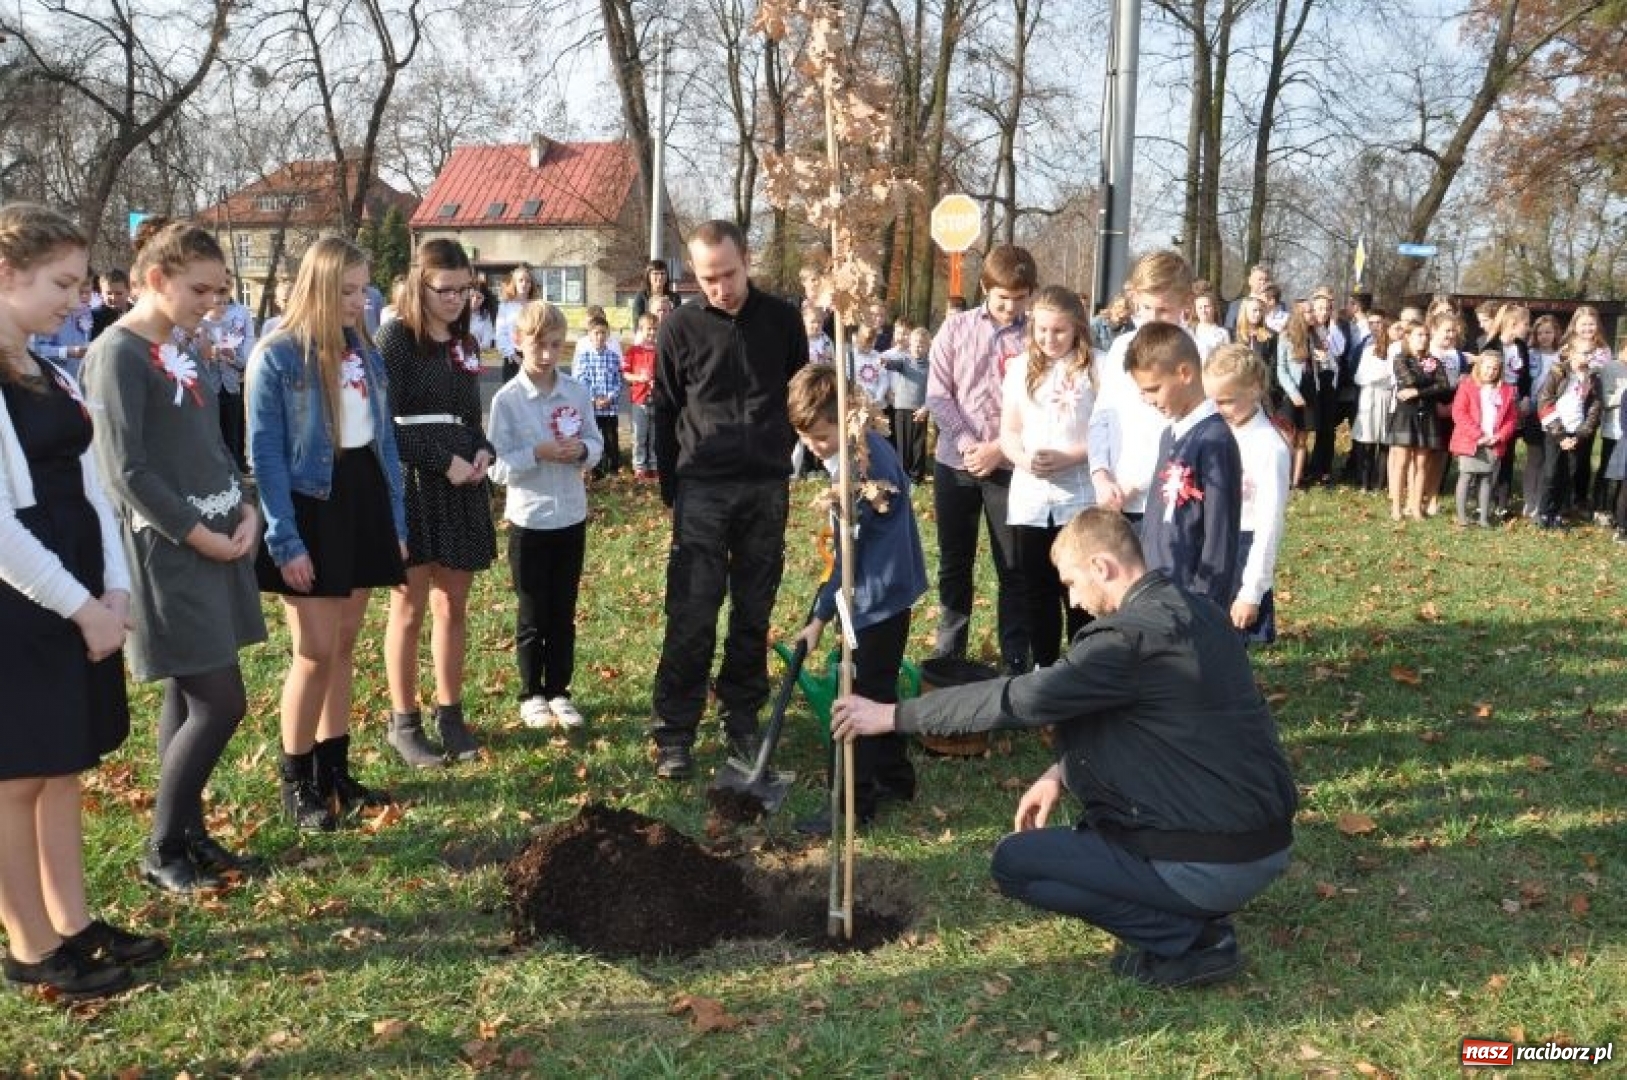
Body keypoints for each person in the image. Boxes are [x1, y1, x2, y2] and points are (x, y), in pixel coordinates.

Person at [832, 508, 1296, 989]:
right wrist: (1059, 772)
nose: (1073, 598)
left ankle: (1191, 938)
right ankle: (1195, 911)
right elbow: (1160, 723)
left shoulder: (1124, 642)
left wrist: (891, 716)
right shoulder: (1199, 613)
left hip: (1212, 860)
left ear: (1102, 567)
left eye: (1072, 582)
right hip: (1265, 843)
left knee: (1017, 863)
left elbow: (1018, 698)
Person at [0, 202, 168, 999]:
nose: (76, 299)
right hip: (20, 599)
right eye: (61, 283)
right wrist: (80, 607)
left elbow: (96, 491)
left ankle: (71, 922)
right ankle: (30, 944)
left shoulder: (50, 369)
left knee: (62, 766)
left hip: (79, 589)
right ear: (6, 273)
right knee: (15, 777)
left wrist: (118, 588)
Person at [86, 219, 267, 892]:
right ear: (157, 279)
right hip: (170, 551)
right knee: (220, 701)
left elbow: (212, 440)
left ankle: (188, 834)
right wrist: (200, 533)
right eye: (200, 289)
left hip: (218, 538)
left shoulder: (177, 346)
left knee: (189, 696)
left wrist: (245, 504)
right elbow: (126, 471)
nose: (210, 303)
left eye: (219, 290)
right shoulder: (117, 355)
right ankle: (161, 847)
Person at [247, 237, 407, 832]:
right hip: (310, 505)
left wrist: (395, 523)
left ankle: (333, 769)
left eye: (363, 288)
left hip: (361, 498)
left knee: (342, 648)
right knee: (312, 654)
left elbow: (384, 443)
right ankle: (296, 780)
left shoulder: (365, 353)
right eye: (345, 290)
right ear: (315, 288)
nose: (359, 300)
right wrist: (285, 542)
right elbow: (264, 458)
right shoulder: (278, 356)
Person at [648, 220, 807, 780]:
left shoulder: (783, 321)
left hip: (765, 485)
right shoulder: (679, 329)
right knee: (691, 612)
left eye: (729, 274)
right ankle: (674, 730)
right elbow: (663, 411)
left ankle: (741, 712)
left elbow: (799, 397)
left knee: (753, 608)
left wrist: (786, 452)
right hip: (703, 488)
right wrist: (674, 486)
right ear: (693, 273)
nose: (721, 288)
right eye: (708, 278)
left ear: (747, 259)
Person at [788, 364, 925, 831]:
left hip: (873, 599)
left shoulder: (863, 468)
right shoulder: (857, 450)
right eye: (805, 439)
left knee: (857, 696)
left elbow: (851, 558)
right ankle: (895, 777)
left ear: (846, 419)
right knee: (879, 686)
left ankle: (851, 802)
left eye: (821, 438)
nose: (813, 447)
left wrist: (822, 616)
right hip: (881, 592)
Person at [377, 238, 497, 767]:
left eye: (464, 289)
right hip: (414, 481)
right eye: (444, 290)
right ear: (419, 283)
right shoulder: (396, 337)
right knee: (408, 606)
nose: (456, 299)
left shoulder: (465, 341)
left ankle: (451, 714)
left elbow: (470, 415)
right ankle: (404, 721)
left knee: (453, 603)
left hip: (462, 482)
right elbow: (381, 424)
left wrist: (482, 451)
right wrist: (438, 459)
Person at [488, 300, 601, 732]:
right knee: (533, 612)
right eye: (539, 345)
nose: (548, 354)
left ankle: (559, 689)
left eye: (556, 345)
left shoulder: (575, 391)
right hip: (529, 519)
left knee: (564, 611)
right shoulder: (507, 400)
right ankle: (531, 692)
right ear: (519, 342)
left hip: (570, 515)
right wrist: (535, 454)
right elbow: (496, 467)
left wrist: (584, 452)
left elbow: (595, 441)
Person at [926, 244, 1037, 675]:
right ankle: (949, 651)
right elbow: (938, 393)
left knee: (1013, 564)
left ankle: (1015, 658)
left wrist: (998, 448)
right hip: (956, 462)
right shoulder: (955, 331)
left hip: (1008, 466)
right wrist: (970, 442)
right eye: (1002, 298)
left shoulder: (1036, 337)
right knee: (955, 561)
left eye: (1020, 298)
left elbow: (1041, 402)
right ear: (984, 288)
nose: (1011, 307)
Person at [999, 285, 1095, 669]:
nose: (1049, 339)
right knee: (1035, 586)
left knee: (1078, 586)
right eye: (1041, 330)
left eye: (1058, 331)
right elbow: (1009, 431)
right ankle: (1044, 665)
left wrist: (1071, 457)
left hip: (1079, 495)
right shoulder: (1019, 368)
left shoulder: (1095, 368)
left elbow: (1104, 435)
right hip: (1031, 499)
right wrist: (1023, 459)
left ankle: (1085, 664)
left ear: (1076, 329)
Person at [1129, 322, 1242, 608]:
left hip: (1192, 601)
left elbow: (1220, 535)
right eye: (1143, 391)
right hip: (1159, 591)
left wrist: (1207, 606)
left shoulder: (1215, 441)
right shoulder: (1170, 435)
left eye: (1153, 389)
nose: (1147, 400)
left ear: (1184, 373)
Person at [1089, 250, 1194, 527]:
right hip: (1114, 498)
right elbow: (1102, 416)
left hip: (1168, 499)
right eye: (1146, 308)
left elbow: (1185, 433)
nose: (1153, 319)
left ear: (1185, 302)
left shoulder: (1195, 355)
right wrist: (1100, 475)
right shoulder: (1121, 348)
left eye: (1164, 310)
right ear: (1135, 298)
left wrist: (1134, 485)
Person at [1204, 344, 1288, 644]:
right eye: (1212, 400)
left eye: (1226, 401)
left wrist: (1251, 591)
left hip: (1242, 549)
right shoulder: (1214, 430)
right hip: (1210, 547)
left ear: (1254, 389)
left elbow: (1269, 525)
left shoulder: (1269, 447)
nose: (1217, 409)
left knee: (1230, 649)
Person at [1386, 319, 1453, 521]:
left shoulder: (1435, 361)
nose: (1423, 339)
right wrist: (1427, 384)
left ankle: (1416, 508)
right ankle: (1397, 507)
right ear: (1407, 337)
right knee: (1402, 462)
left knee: (1422, 463)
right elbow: (1409, 380)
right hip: (1405, 415)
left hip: (1428, 416)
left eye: (1426, 335)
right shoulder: (1400, 359)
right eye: (1419, 335)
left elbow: (1445, 389)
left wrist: (1417, 391)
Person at [1535, 340, 1601, 529]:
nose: (1586, 357)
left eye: (1590, 354)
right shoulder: (1558, 373)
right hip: (1556, 431)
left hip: (1576, 431)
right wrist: (1561, 436)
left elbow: (1595, 408)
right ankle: (1544, 512)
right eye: (1583, 353)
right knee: (1551, 472)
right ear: (1571, 352)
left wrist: (1580, 435)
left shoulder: (1593, 377)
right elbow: (1544, 402)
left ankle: (1558, 513)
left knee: (1569, 474)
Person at [1449, 350, 1516, 528]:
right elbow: (1459, 413)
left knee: (1487, 479)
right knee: (1466, 476)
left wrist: (1499, 436)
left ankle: (1483, 518)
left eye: (1495, 368)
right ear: (1479, 367)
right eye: (1487, 367)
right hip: (1471, 440)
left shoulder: (1506, 391)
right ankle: (1462, 517)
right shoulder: (1467, 386)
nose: (1491, 372)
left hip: (1493, 441)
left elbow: (1511, 419)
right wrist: (1478, 435)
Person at [1521, 314, 1562, 517]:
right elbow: (1524, 381)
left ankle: (1541, 499)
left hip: (1555, 411)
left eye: (1548, 332)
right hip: (1534, 410)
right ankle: (1529, 499)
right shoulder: (1530, 354)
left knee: (1549, 460)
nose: (1544, 336)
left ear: (1555, 333)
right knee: (1534, 457)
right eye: (1540, 332)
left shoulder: (1562, 356)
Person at [1350, 310, 1394, 493]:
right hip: (1368, 397)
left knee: (1383, 441)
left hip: (1385, 396)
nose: (1375, 327)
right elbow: (1359, 376)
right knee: (1366, 441)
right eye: (1372, 323)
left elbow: (1390, 375)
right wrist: (1373, 378)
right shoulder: (1367, 349)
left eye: (1379, 323)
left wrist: (1376, 377)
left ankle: (1379, 482)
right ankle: (1364, 481)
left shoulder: (1392, 350)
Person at [575, 315, 624, 478]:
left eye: (603, 333)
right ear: (589, 335)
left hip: (610, 407)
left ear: (608, 335)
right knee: (594, 438)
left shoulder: (614, 357)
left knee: (611, 438)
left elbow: (618, 381)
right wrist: (593, 400)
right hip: (593, 408)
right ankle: (596, 469)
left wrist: (610, 397)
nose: (600, 336)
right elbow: (582, 381)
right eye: (596, 333)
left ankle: (613, 468)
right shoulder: (585, 357)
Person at [882, 325, 931, 483]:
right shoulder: (904, 360)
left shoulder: (931, 366)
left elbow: (934, 390)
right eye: (915, 343)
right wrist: (885, 361)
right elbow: (892, 364)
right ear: (910, 344)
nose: (918, 346)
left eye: (922, 344)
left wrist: (926, 407)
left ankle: (917, 476)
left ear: (928, 346)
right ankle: (903, 474)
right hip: (902, 409)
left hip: (920, 410)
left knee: (918, 445)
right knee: (902, 444)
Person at [29, 276, 94, 378]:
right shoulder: (51, 315)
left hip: (80, 377)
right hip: (58, 378)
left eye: (88, 292)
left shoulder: (86, 312)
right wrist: (67, 352)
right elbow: (37, 350)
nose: (85, 297)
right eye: (80, 293)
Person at [621, 312, 659, 480]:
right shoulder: (633, 351)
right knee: (639, 435)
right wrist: (639, 378)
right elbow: (625, 374)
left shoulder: (661, 350)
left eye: (655, 329)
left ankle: (654, 465)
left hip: (657, 399)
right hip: (639, 399)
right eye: (648, 329)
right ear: (640, 330)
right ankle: (639, 466)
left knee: (655, 435)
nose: (652, 332)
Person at [494, 263, 538, 384]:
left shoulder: (536, 305)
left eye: (528, 281)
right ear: (514, 283)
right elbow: (500, 334)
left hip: (533, 355)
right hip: (513, 359)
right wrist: (513, 356)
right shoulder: (505, 306)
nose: (524, 284)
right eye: (521, 280)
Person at [631, 259, 680, 323]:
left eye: (662, 273)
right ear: (648, 276)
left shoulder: (675, 297)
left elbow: (677, 321)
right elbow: (637, 321)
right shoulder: (642, 296)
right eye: (655, 273)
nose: (660, 277)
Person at [89, 268, 131, 340]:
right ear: (101, 293)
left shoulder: (136, 312)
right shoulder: (94, 316)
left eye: (119, 293)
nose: (114, 298)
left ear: (128, 292)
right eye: (109, 293)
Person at [1190, 289, 1229, 363]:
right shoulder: (1190, 332)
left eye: (1206, 306)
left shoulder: (1222, 333)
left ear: (1214, 308)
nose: (1203, 311)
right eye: (1200, 307)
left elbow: (1226, 359)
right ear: (1196, 310)